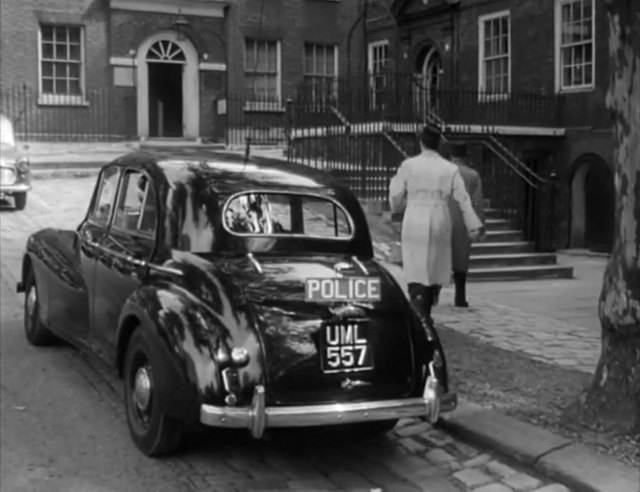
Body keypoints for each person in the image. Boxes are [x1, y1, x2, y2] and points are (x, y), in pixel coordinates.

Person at [389, 124, 483, 324]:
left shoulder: (408, 166)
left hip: (415, 215)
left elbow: (396, 199)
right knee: (434, 263)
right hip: (440, 215)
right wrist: (473, 225)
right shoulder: (449, 169)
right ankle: (427, 308)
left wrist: (399, 206)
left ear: (421, 142)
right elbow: (463, 199)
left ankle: (417, 303)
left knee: (415, 262)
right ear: (439, 144)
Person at [447, 141, 486, 308]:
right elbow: (477, 202)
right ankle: (460, 297)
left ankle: (431, 295)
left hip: (441, 218)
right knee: (461, 259)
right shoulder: (472, 175)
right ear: (465, 157)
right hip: (463, 221)